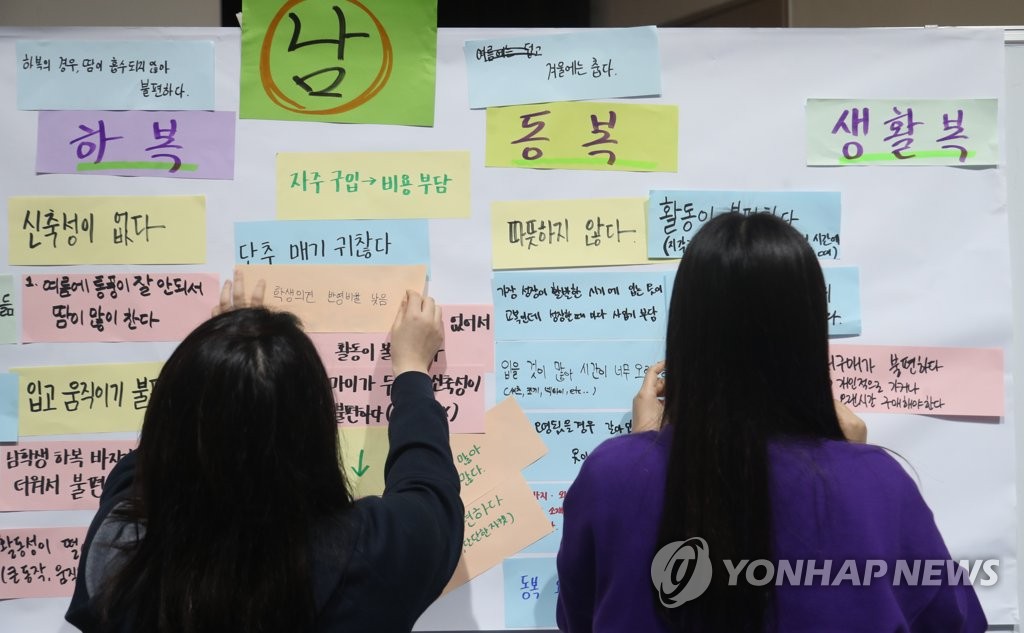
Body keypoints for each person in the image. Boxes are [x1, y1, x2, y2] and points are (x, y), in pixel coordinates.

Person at [555, 213, 986, 632]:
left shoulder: (610, 475)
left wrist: (643, 449)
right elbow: (955, 621)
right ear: (808, 331)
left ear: (686, 328)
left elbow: (580, 617)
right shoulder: (878, 481)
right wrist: (853, 463)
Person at [65, 273, 463, 633]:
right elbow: (430, 493)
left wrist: (220, 364)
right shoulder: (370, 557)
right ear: (313, 429)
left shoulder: (117, 557)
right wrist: (412, 370)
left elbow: (158, 456)